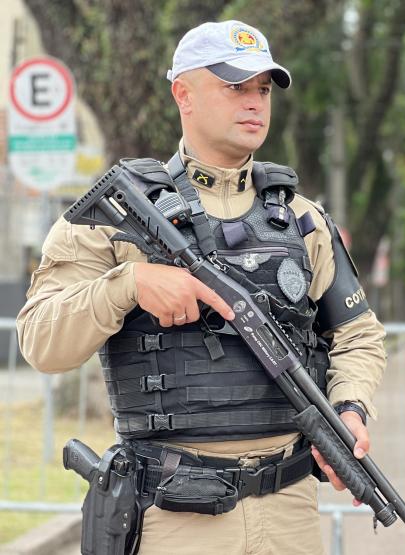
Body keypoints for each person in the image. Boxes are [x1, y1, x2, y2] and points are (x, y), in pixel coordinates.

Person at [16, 20, 385, 555]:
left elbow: (357, 335)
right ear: (183, 94)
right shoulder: (116, 217)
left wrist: (350, 408)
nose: (254, 102)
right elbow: (40, 342)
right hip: (174, 515)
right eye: (235, 86)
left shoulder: (303, 221)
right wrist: (129, 284)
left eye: (263, 89)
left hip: (289, 513)